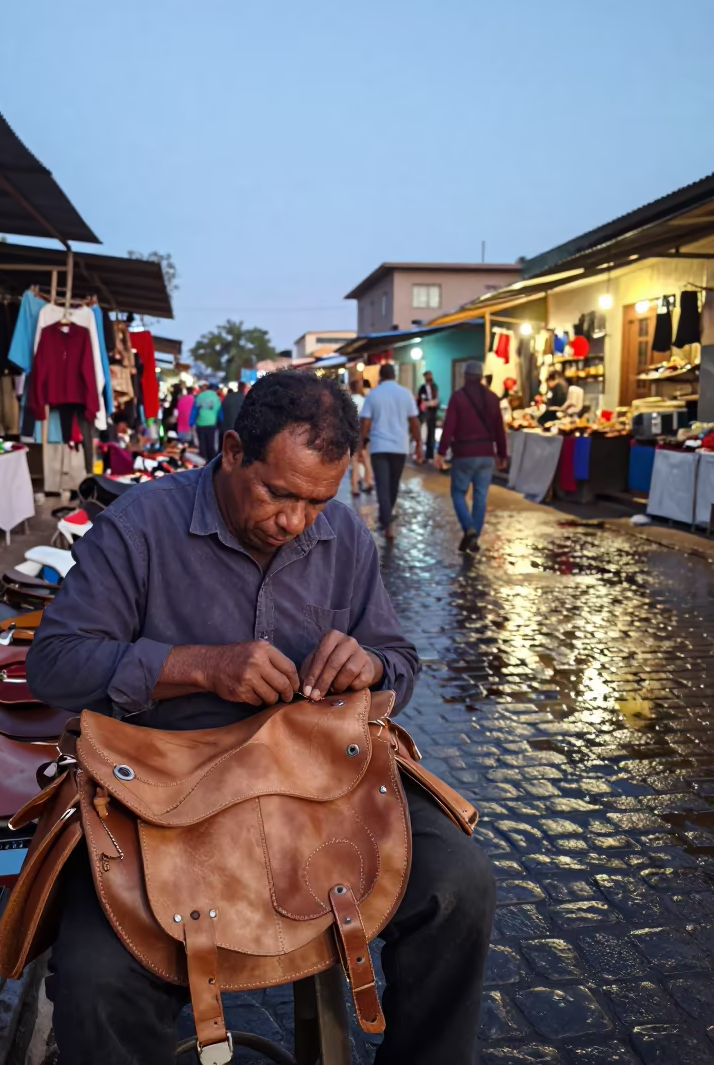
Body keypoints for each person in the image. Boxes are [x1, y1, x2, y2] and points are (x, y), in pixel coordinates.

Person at [27, 369, 495, 1065]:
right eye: (278, 493)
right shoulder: (141, 525)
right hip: (166, 789)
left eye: (317, 500)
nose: (296, 522)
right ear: (234, 449)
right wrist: (195, 666)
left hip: (314, 780)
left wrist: (368, 665)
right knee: (97, 980)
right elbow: (54, 665)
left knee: (460, 883)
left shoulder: (343, 535)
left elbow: (398, 657)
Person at [435, 360, 507, 554]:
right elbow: (500, 429)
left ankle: (469, 528)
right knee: (480, 497)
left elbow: (449, 427)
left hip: (463, 454)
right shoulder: (493, 398)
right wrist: (502, 454)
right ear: (481, 376)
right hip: (486, 455)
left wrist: (441, 452)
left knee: (458, 493)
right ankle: (474, 538)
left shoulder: (458, 398)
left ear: (465, 376)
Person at [360, 363, 422, 540]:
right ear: (394, 375)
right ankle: (386, 519)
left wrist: (361, 443)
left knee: (382, 485)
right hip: (399, 447)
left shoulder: (374, 394)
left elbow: (365, 422)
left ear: (380, 376)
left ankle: (386, 521)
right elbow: (414, 421)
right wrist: (418, 444)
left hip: (379, 446)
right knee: (393, 485)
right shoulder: (405, 393)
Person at [348, 378, 374, 497]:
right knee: (366, 459)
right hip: (364, 434)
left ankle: (355, 487)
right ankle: (369, 482)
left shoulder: (349, 401)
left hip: (353, 434)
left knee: (354, 462)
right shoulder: (365, 400)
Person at [192, 382, 222, 461]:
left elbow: (195, 410)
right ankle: (211, 462)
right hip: (211, 424)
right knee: (210, 443)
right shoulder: (216, 397)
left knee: (202, 444)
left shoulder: (200, 396)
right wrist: (221, 422)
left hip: (200, 423)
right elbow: (219, 411)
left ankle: (203, 460)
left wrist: (191, 422)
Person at [417, 370, 440, 461]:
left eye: (429, 376)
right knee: (424, 433)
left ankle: (430, 454)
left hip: (433, 412)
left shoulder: (435, 387)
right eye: (427, 376)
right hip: (424, 413)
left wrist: (430, 403)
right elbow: (420, 400)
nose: (428, 378)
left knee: (431, 433)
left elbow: (436, 400)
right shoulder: (422, 388)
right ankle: (423, 454)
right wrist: (425, 404)